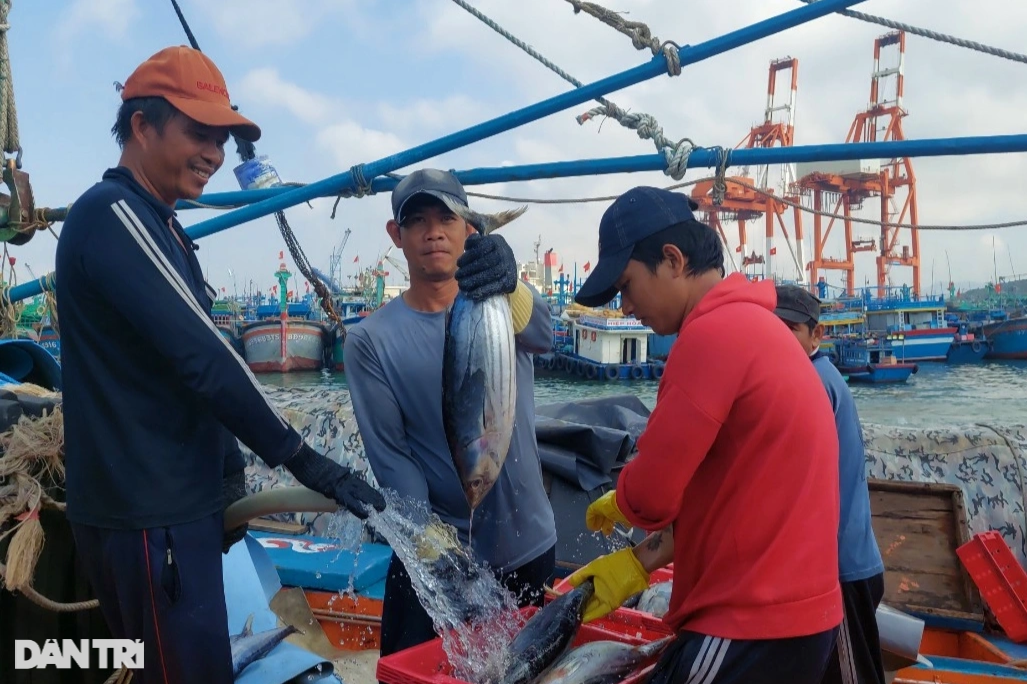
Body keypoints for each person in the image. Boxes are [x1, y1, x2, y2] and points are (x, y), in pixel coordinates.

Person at [55, 46, 385, 684]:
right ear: (142, 126)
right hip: (150, 515)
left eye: (221, 140)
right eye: (199, 134)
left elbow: (184, 367)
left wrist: (229, 470)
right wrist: (308, 461)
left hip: (179, 510)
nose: (214, 154)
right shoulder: (113, 214)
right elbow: (206, 357)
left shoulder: (164, 226)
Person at [562, 186, 843, 684]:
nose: (626, 307)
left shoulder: (711, 335)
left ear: (673, 260)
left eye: (627, 286)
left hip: (748, 622)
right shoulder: (758, 325)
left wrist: (622, 499)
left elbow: (651, 496)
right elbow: (730, 494)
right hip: (797, 617)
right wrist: (638, 562)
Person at [343, 168, 558, 658]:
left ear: (469, 228)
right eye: (417, 220)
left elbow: (544, 335)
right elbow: (393, 457)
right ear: (396, 235)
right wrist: (433, 546)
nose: (433, 232)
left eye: (447, 218)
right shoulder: (369, 341)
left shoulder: (500, 299)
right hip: (440, 557)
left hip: (530, 543)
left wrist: (512, 284)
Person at [774, 285, 887, 684]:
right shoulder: (820, 376)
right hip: (842, 565)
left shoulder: (813, 383)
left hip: (840, 571)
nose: (778, 338)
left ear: (816, 334)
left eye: (790, 329)